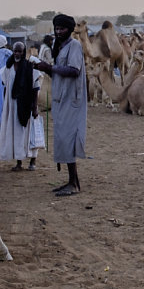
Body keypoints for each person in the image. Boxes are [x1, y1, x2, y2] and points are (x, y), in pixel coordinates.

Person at [33, 14, 87, 196]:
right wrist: (43, 68)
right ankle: (72, 181)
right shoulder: (59, 47)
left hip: (72, 100)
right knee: (63, 139)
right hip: (60, 100)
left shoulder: (75, 46)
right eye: (56, 28)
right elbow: (59, 75)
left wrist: (50, 68)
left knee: (68, 139)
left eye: (62, 28)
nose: (58, 31)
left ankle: (74, 183)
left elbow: (73, 70)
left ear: (69, 29)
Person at [1, 41, 43, 171]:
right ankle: (19, 162)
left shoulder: (30, 67)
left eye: (19, 51)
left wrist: (34, 107)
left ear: (23, 52)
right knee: (17, 134)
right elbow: (5, 86)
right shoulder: (8, 67)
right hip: (13, 105)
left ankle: (32, 161)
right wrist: (6, 105)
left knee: (30, 133)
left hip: (26, 105)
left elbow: (35, 88)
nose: (17, 53)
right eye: (15, 51)